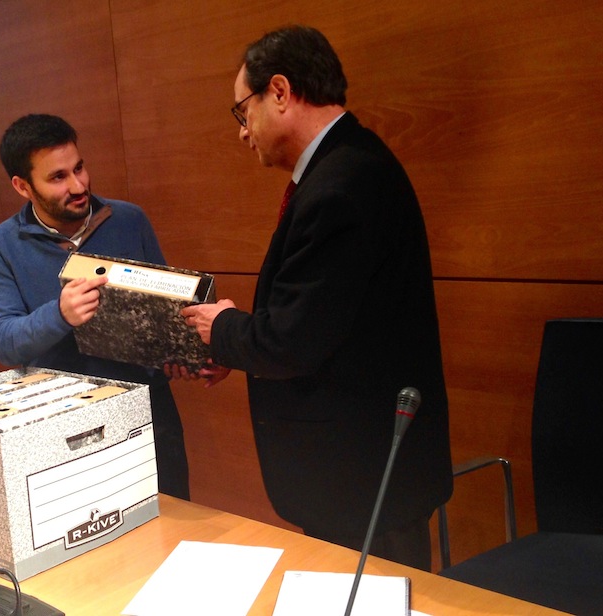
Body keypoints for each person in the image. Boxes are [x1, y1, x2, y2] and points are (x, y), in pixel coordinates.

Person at [179, 25, 452, 569]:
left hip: (362, 479)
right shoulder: (350, 164)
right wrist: (235, 341)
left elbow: (293, 339)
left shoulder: (341, 185)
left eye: (242, 111)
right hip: (358, 471)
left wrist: (222, 328)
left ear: (280, 91)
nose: (243, 132)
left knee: (372, 598)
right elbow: (323, 321)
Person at [0, 113, 190, 500]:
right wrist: (59, 314)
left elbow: (166, 309)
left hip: (146, 411)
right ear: (22, 186)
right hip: (60, 422)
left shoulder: (129, 220)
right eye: (58, 177)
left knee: (171, 521)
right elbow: (3, 341)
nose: (78, 186)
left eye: (79, 168)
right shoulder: (1, 246)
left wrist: (179, 351)